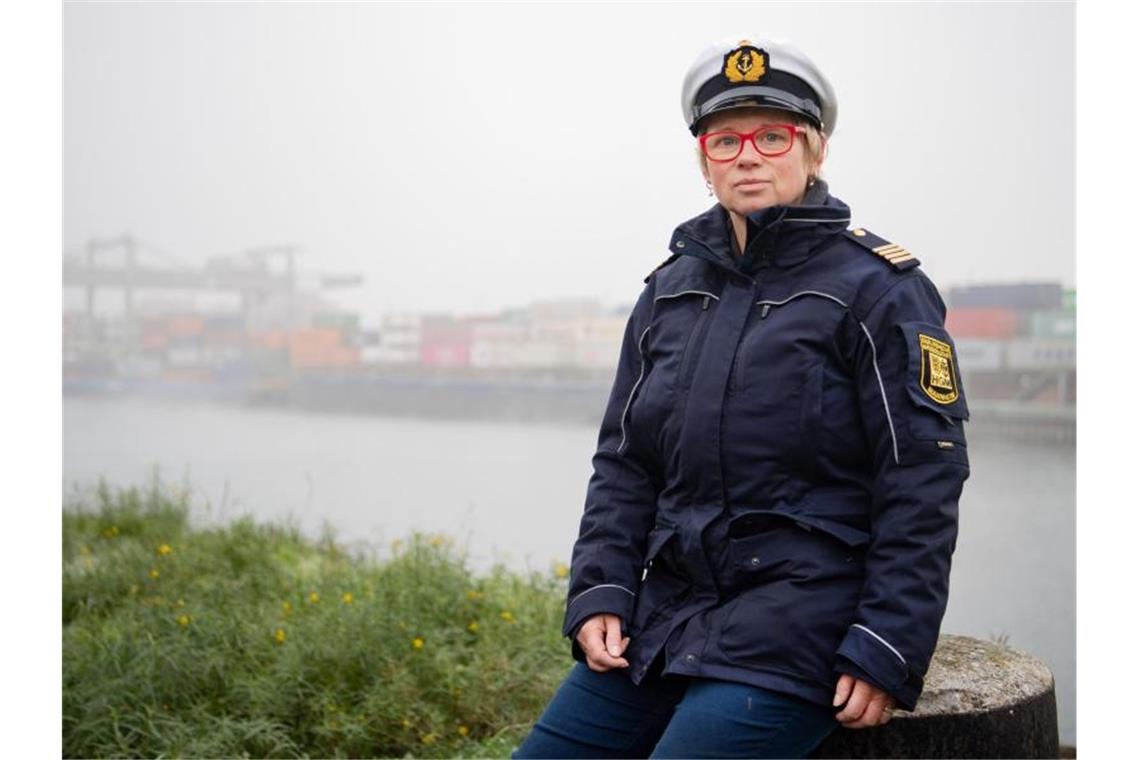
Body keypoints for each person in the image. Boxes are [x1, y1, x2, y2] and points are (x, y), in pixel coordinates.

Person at [514, 36, 970, 759]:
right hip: (668, 616)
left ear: (814, 152)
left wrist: (888, 640)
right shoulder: (671, 290)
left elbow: (922, 475)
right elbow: (626, 464)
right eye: (724, 141)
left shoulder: (879, 289)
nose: (748, 155)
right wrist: (601, 590)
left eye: (771, 135)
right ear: (704, 162)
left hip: (803, 622)